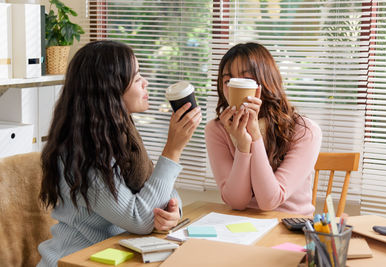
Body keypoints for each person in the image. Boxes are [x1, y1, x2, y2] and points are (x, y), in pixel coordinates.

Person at [37, 40, 201, 266]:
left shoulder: (121, 136)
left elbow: (156, 188)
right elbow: (139, 218)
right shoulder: (82, 151)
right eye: (136, 78)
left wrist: (172, 210)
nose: (145, 82)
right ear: (109, 90)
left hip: (115, 256)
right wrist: (173, 149)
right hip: (74, 260)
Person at [205, 42, 322, 216]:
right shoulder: (217, 130)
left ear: (265, 83)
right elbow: (237, 202)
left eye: (246, 80)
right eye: (228, 81)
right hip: (241, 225)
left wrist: (255, 137)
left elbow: (270, 201)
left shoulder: (305, 130)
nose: (234, 87)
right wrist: (243, 146)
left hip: (290, 225)